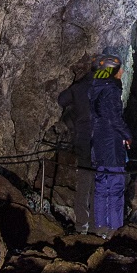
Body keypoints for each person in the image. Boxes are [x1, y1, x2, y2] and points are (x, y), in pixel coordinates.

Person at [89, 54, 133, 234]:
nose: (122, 71)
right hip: (111, 144)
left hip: (98, 141)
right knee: (115, 185)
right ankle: (114, 227)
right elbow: (114, 117)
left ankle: (100, 226)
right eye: (120, 68)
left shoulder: (95, 88)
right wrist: (127, 134)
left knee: (101, 185)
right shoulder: (111, 90)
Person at [59, 60, 97, 232]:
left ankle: (81, 225)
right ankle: (97, 226)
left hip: (82, 139)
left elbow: (61, 100)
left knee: (84, 180)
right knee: (98, 181)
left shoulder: (79, 87)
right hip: (100, 141)